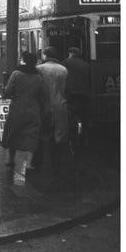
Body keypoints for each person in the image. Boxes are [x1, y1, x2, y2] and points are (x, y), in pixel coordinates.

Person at [1, 52, 46, 186]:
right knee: (32, 135)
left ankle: (10, 159)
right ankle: (29, 163)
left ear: (23, 60)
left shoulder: (16, 74)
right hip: (33, 109)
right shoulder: (39, 76)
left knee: (13, 132)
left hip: (17, 108)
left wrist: (5, 95)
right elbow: (43, 94)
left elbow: (8, 91)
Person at [36, 46, 69, 177]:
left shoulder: (39, 69)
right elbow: (66, 88)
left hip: (44, 104)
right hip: (60, 103)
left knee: (44, 133)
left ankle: (41, 162)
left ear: (45, 56)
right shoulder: (63, 69)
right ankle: (58, 162)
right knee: (59, 134)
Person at [63, 47, 92, 150]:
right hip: (84, 94)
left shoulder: (65, 63)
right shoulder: (85, 64)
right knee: (84, 117)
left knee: (71, 118)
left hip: (71, 94)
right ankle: (85, 139)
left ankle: (73, 139)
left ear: (70, 53)